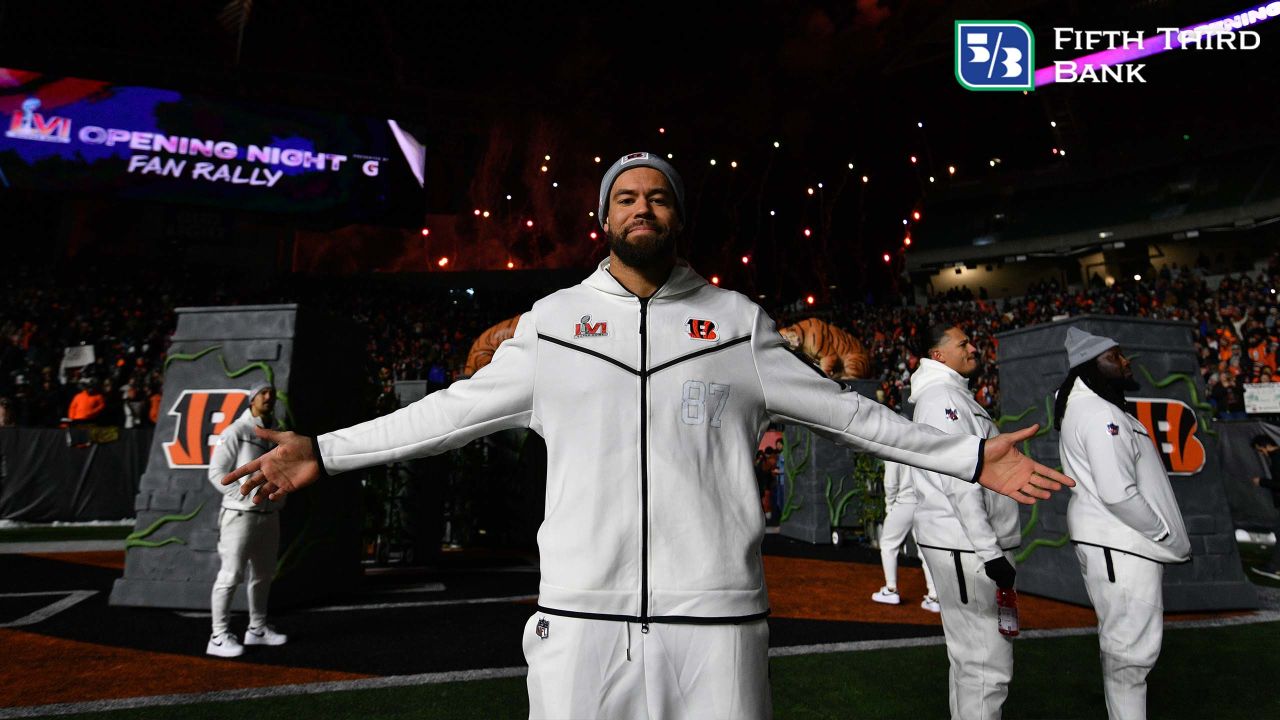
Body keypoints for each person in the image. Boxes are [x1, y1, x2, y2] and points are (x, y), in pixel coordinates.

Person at [224, 152, 1072, 719]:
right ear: (605, 218)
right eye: (626, 197)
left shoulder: (737, 323)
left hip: (718, 622)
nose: (642, 206)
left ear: (677, 217)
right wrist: (326, 450)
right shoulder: (552, 325)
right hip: (582, 620)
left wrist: (968, 454)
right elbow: (444, 418)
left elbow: (848, 414)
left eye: (657, 195)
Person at [1055, 327, 1191, 720]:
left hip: (1117, 543)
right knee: (1130, 657)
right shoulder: (1099, 413)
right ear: (1090, 366)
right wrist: (1161, 532)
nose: (1125, 361)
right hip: (1123, 543)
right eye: (1114, 356)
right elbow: (1117, 493)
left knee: (1126, 655)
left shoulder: (1095, 407)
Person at [907, 324, 1020, 720]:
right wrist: (990, 553)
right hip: (966, 547)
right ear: (938, 356)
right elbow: (961, 479)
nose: (973, 348)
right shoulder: (941, 398)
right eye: (963, 344)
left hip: (962, 544)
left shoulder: (947, 394)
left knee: (971, 665)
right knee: (987, 669)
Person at [206, 381, 289, 658]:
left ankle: (257, 629)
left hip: (269, 515)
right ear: (252, 400)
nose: (269, 396)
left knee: (263, 575)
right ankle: (218, 636)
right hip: (239, 515)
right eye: (263, 393)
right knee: (230, 576)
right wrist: (242, 496)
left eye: (271, 393)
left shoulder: (276, 434)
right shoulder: (236, 431)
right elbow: (216, 472)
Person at [873, 460, 939, 612]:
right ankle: (935, 596)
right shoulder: (922, 443)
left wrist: (889, 505)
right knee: (924, 550)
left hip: (904, 502)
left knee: (888, 544)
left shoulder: (894, 445)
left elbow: (890, 482)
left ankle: (890, 590)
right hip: (924, 503)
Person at [1249, 434, 1280, 580]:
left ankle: (1274, 568)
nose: (1261, 454)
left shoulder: (1277, 458)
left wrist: (1261, 481)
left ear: (1266, 446)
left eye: (1260, 450)